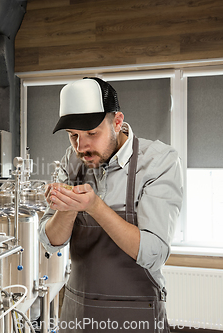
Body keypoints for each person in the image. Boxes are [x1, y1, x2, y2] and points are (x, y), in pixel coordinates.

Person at [39, 77, 183, 333]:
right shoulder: (71, 162)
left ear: (117, 122)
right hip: (77, 312)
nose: (81, 147)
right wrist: (68, 208)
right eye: (73, 136)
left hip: (136, 314)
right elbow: (51, 242)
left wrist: (95, 206)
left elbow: (153, 254)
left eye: (92, 134)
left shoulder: (159, 162)